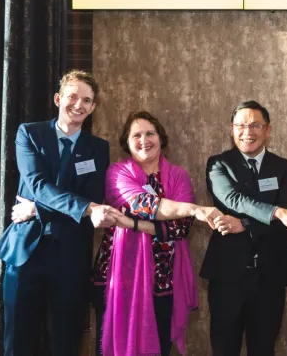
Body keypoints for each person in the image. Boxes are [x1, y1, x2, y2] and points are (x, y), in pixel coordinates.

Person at [0, 70, 117, 356]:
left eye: (87, 100)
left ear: (93, 107)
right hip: (26, 253)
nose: (79, 104)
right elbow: (37, 184)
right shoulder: (29, 133)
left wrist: (37, 209)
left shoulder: (98, 148)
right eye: (73, 97)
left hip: (70, 257)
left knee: (65, 343)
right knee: (17, 342)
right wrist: (84, 208)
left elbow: (91, 197)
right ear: (58, 99)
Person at [90, 110, 222, 356]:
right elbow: (144, 205)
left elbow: (181, 228)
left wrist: (132, 224)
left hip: (163, 279)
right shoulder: (117, 173)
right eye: (136, 135)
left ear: (161, 138)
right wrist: (193, 209)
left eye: (150, 133)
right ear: (126, 142)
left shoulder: (179, 176)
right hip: (118, 278)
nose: (144, 140)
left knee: (159, 347)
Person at [199, 100, 287, 356]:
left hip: (270, 274)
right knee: (224, 348)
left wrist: (245, 224)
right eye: (241, 125)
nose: (247, 131)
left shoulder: (284, 167)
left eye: (255, 125)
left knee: (264, 348)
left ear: (268, 130)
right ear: (232, 129)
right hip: (227, 274)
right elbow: (232, 199)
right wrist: (275, 212)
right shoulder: (218, 164)